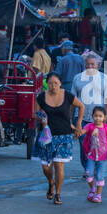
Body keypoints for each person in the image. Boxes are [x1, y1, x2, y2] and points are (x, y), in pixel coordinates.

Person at [33, 72, 85, 205]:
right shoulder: (41, 97)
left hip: (64, 135)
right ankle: (51, 182)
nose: (53, 86)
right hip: (46, 136)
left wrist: (78, 123)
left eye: (56, 83)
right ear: (47, 84)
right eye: (50, 83)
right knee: (46, 167)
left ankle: (58, 194)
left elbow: (81, 106)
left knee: (59, 165)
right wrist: (41, 116)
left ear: (60, 83)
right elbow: (36, 113)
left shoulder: (67, 95)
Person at [72, 53, 107, 173]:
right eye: (88, 64)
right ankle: (87, 169)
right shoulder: (77, 78)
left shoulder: (104, 78)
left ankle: (95, 167)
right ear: (84, 65)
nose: (90, 66)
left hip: (98, 120)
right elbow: (72, 99)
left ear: (98, 65)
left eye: (93, 64)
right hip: (81, 118)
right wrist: (71, 118)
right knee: (84, 145)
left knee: (98, 144)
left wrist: (105, 115)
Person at [82, 106, 107, 203]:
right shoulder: (90, 126)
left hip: (103, 156)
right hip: (91, 155)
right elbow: (83, 131)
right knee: (88, 174)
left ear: (104, 117)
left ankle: (98, 195)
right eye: (96, 116)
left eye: (100, 116)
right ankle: (92, 189)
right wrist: (77, 130)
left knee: (100, 176)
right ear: (92, 116)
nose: (98, 118)